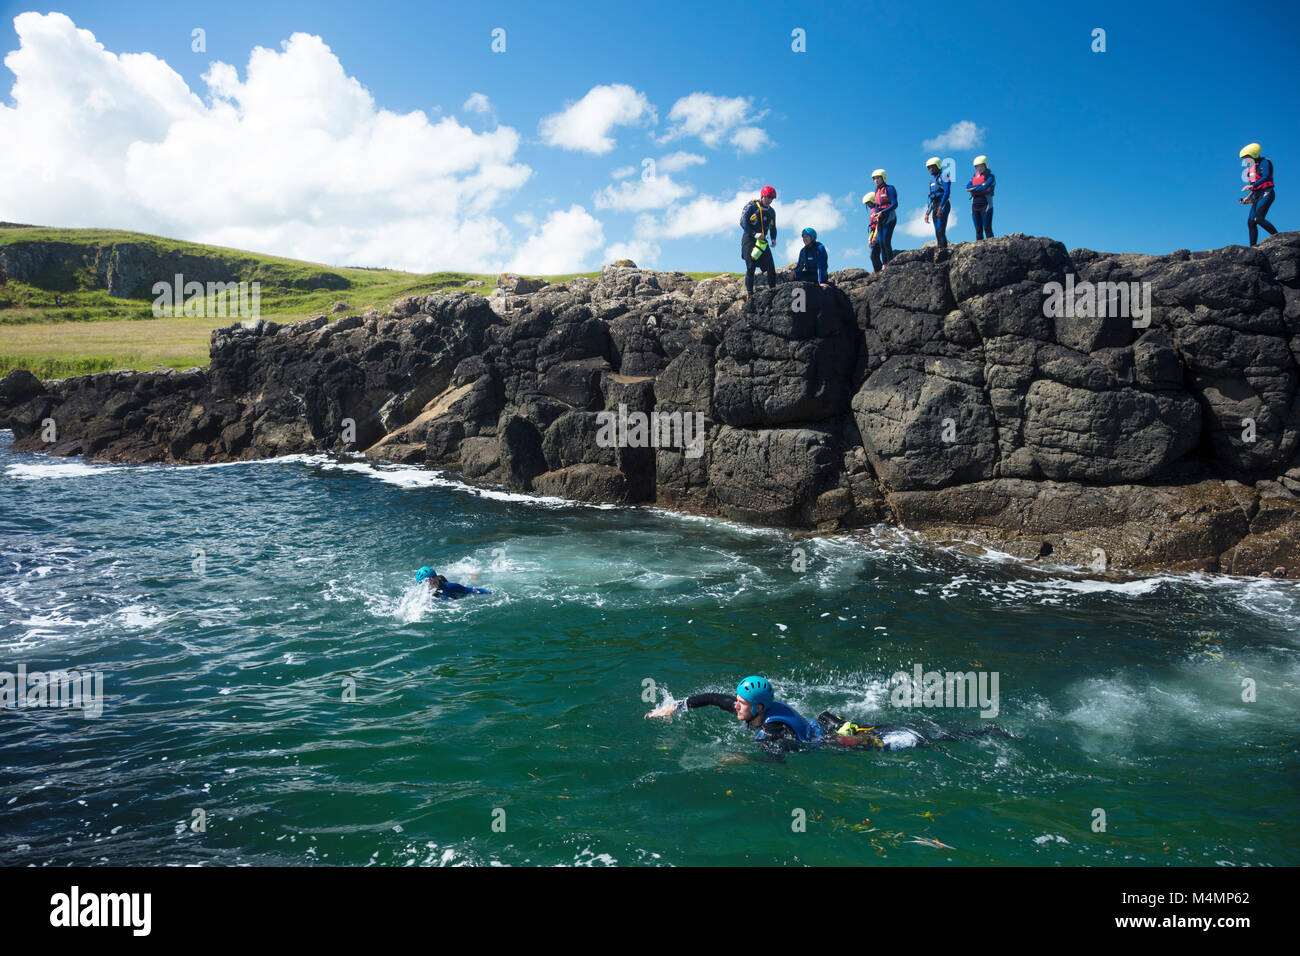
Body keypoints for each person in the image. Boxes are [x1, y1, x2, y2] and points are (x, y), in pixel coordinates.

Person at [646, 675, 1007, 759]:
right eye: (736, 701)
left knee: (910, 739)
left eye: (741, 703)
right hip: (826, 723)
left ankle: (982, 733)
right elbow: (710, 698)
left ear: (757, 708)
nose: (734, 706)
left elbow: (778, 759)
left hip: (836, 738)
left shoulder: (773, 728)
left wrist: (741, 759)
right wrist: (674, 707)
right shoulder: (750, 708)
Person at [740, 186, 779, 297]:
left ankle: (773, 291)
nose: (770, 200)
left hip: (762, 241)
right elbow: (743, 222)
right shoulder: (751, 206)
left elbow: (773, 227)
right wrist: (754, 233)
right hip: (749, 239)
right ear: (762, 196)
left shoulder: (771, 211)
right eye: (768, 197)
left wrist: (773, 238)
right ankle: (750, 294)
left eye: (772, 198)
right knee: (751, 266)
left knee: (770, 266)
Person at [1239, 143, 1278, 247]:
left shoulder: (1265, 163)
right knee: (1251, 222)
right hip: (1257, 196)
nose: (1246, 160)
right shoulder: (1251, 168)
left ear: (1254, 154)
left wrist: (1252, 186)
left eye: (1246, 157)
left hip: (1267, 192)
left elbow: (1266, 177)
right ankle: (1253, 248)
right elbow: (1253, 187)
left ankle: (1278, 237)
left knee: (1258, 218)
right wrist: (1247, 198)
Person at [923, 156, 951, 259]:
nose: (930, 169)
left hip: (942, 204)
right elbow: (931, 198)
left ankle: (944, 253)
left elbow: (947, 192)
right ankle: (941, 251)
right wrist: (927, 213)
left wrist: (940, 207)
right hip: (934, 205)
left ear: (938, 166)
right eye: (928, 167)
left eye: (932, 167)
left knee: (940, 230)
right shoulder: (932, 181)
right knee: (937, 231)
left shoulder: (944, 176)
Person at [871, 169, 898, 266]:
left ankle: (890, 263)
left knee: (886, 241)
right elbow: (876, 206)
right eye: (874, 178)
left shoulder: (889, 188)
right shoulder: (877, 191)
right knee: (881, 242)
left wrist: (883, 212)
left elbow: (895, 204)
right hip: (880, 218)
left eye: (878, 178)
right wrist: (876, 213)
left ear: (883, 178)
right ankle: (884, 264)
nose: (876, 180)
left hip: (890, 217)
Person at [415, 565, 490, 599]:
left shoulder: (450, 586)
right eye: (428, 580)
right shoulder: (421, 595)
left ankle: (473, 575)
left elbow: (471, 590)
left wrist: (489, 592)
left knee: (471, 581)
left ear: (436, 576)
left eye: (433, 576)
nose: (432, 580)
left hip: (455, 592)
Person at [966, 155, 995, 240]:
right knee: (978, 230)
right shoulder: (973, 177)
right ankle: (979, 251)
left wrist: (974, 188)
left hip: (986, 205)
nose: (979, 168)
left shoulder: (990, 176)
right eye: (977, 167)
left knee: (987, 228)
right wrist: (979, 185)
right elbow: (967, 187)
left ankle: (993, 248)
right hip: (975, 206)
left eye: (981, 166)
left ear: (985, 165)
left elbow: (985, 187)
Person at [863, 193, 883, 272]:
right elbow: (872, 227)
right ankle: (877, 270)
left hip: (879, 234)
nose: (868, 205)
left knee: (874, 254)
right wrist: (869, 239)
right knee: (873, 255)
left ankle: (879, 270)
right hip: (874, 234)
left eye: (869, 203)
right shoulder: (872, 211)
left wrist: (875, 236)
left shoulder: (878, 209)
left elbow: (878, 224)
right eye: (867, 204)